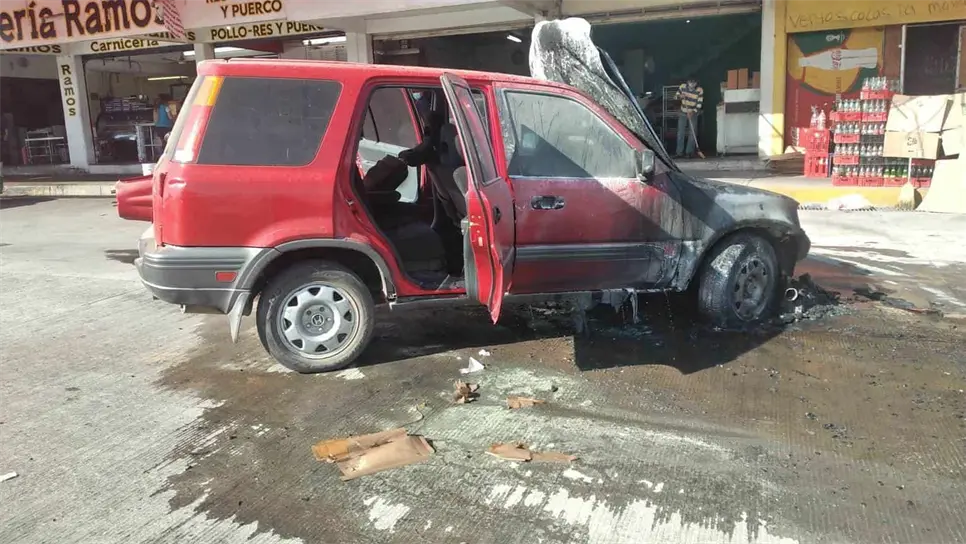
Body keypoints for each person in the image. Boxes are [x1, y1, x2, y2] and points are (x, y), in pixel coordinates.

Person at [675, 78, 703, 158]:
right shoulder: (682, 87)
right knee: (680, 132)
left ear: (696, 83)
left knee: (692, 133)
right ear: (687, 82)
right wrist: (680, 96)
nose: (692, 84)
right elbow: (675, 97)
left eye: (694, 82)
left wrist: (693, 112)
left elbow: (699, 104)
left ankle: (689, 152)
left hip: (693, 112)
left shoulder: (699, 90)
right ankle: (679, 152)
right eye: (691, 82)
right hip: (683, 111)